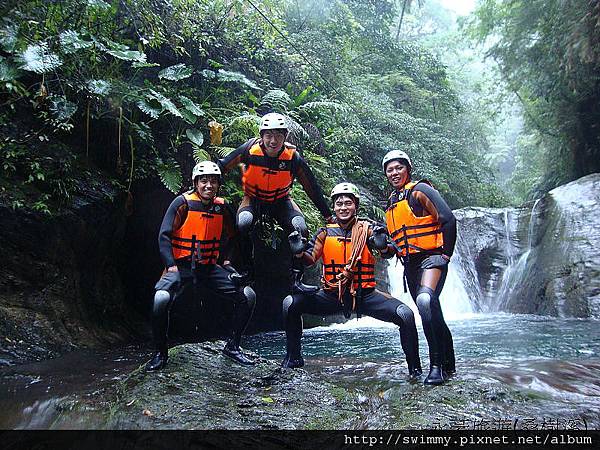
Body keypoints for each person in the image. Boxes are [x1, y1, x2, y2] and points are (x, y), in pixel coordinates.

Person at [281, 182, 422, 379]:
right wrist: (297, 252)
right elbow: (309, 258)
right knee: (290, 304)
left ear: (356, 206)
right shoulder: (324, 232)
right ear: (334, 207)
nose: (343, 207)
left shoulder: (368, 230)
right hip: (332, 295)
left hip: (365, 296)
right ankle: (293, 358)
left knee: (406, 315)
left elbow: (388, 253)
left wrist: (382, 246)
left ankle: (415, 370)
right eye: (339, 204)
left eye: (348, 203)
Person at [146, 161, 256, 371]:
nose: (209, 185)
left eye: (213, 181)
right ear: (196, 183)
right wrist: (170, 266)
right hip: (181, 266)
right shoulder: (182, 203)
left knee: (248, 295)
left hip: (209, 268)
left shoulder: (222, 207)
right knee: (161, 299)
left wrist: (226, 261)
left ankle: (233, 346)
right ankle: (160, 353)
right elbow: (164, 236)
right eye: (204, 181)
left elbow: (234, 237)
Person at [217, 113, 332, 290]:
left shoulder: (293, 158)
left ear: (285, 137)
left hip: (281, 201)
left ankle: (296, 279)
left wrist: (327, 215)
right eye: (269, 135)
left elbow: (312, 188)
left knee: (299, 227)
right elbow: (223, 165)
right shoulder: (249, 150)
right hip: (253, 198)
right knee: (243, 224)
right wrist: (202, 183)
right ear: (261, 136)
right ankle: (247, 271)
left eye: (278, 136)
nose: (273, 141)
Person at [380, 150, 456, 385]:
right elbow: (396, 247)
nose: (394, 173)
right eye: (390, 169)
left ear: (407, 169)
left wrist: (445, 255)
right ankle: (448, 364)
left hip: (432, 258)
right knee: (430, 313)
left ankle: (436, 368)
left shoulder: (420, 191)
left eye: (398, 168)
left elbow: (448, 218)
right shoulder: (393, 202)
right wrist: (384, 247)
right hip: (410, 265)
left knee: (425, 302)